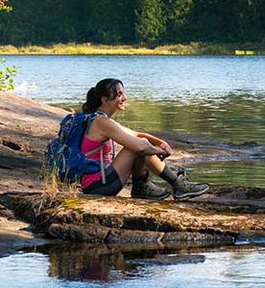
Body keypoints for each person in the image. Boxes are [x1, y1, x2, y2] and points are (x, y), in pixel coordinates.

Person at [78, 78, 209, 201]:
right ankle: (178, 185)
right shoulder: (101, 122)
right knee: (137, 147)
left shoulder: (97, 118)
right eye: (119, 94)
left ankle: (143, 187)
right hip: (98, 187)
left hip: (98, 183)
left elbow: (136, 134)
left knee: (141, 143)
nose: (125, 98)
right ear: (105, 100)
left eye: (123, 93)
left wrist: (160, 143)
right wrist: (159, 151)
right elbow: (140, 147)